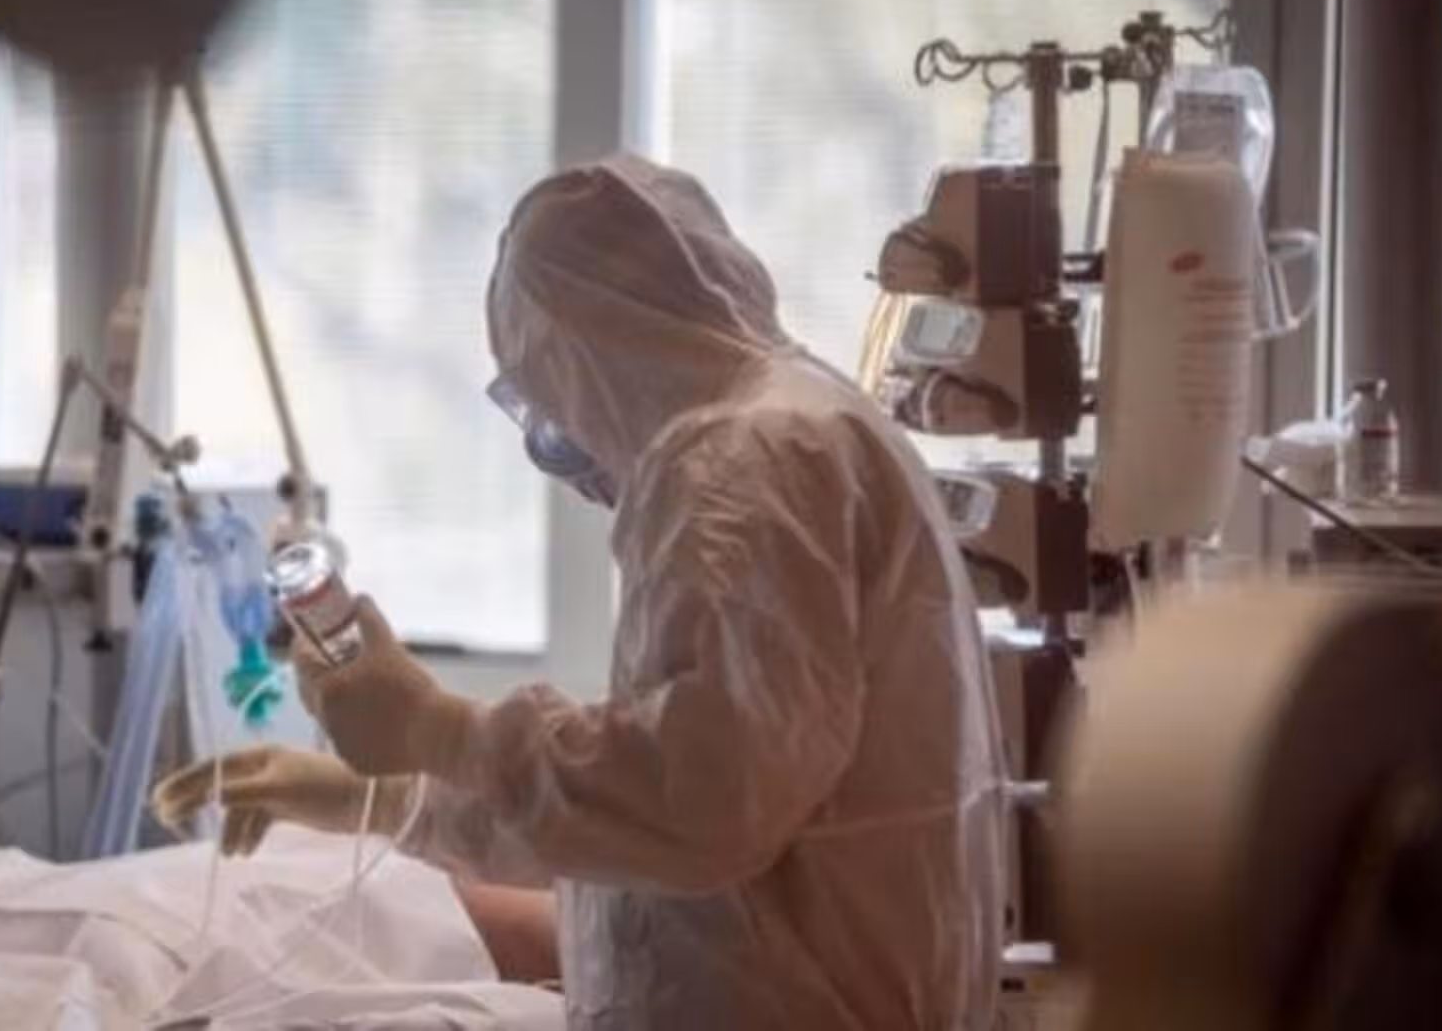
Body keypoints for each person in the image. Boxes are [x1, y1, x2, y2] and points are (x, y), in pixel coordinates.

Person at [158, 153, 1006, 1029]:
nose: (560, 446)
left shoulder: (741, 462)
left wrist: (437, 729)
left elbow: (699, 805)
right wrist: (375, 797)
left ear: (586, 351)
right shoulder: (792, 430)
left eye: (547, 400)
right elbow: (629, 817)